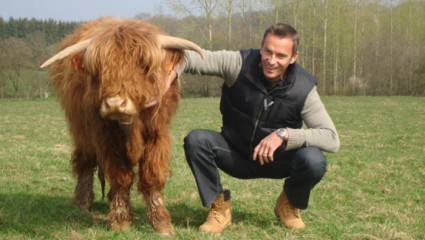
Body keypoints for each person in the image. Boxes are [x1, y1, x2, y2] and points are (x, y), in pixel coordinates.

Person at [171, 23, 340, 233]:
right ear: (261, 47)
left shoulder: (304, 89)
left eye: (281, 55)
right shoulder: (239, 63)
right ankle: (219, 206)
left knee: (314, 160)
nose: (271, 61)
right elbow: (191, 57)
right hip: (234, 153)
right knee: (196, 140)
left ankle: (289, 202)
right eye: (268, 51)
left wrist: (284, 134)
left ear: (293, 57)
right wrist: (172, 73)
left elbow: (331, 138)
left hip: (277, 159)